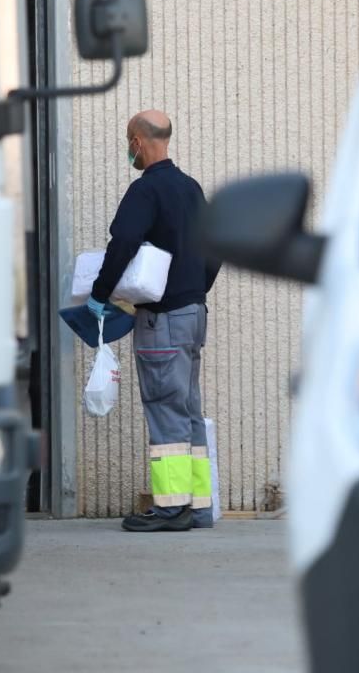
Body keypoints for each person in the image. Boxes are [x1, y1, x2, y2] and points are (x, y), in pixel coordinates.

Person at [87, 110, 222, 532]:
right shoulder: (191, 188)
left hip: (162, 319)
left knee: (165, 406)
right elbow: (215, 249)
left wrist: (99, 292)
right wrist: (195, 289)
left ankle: (170, 507)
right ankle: (197, 506)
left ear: (138, 142)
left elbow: (124, 241)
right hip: (193, 313)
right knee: (188, 407)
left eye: (130, 142)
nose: (130, 149)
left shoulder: (146, 191)